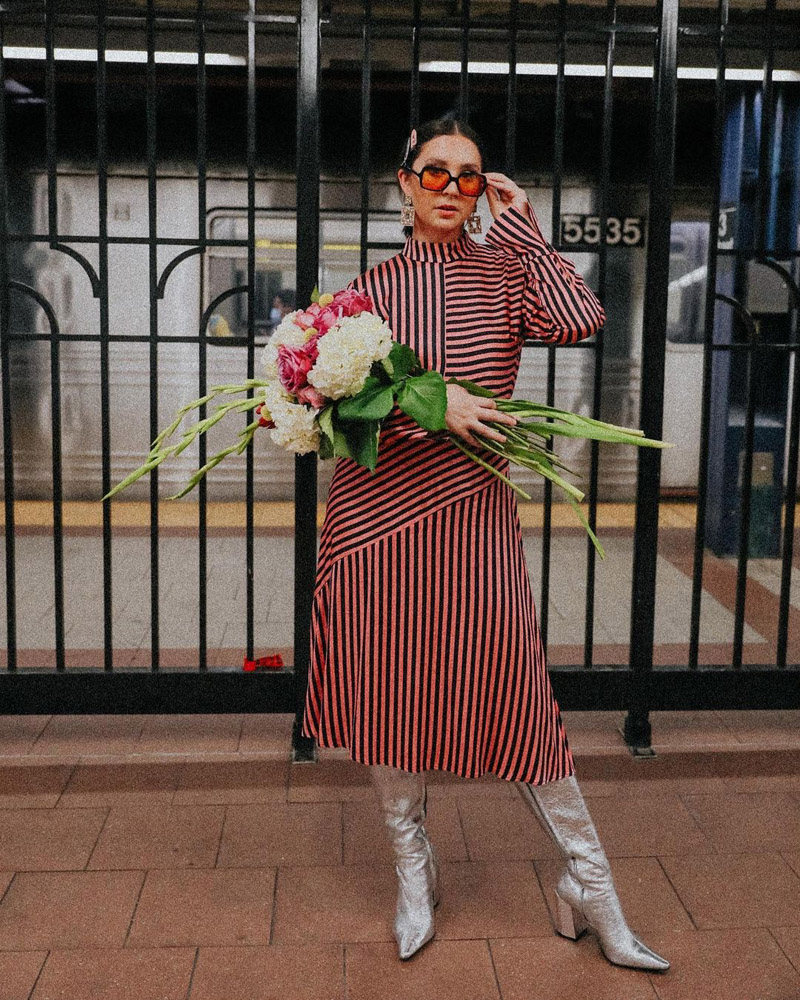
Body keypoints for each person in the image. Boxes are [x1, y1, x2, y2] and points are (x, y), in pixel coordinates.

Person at [300, 115, 669, 973]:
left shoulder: (506, 272)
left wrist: (525, 226)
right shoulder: (370, 289)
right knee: (388, 687)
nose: (451, 190)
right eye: (435, 172)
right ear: (404, 182)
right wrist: (430, 404)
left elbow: (582, 316)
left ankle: (592, 888)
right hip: (377, 513)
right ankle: (414, 874)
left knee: (518, 693)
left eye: (469, 177)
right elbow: (331, 405)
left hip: (471, 509)